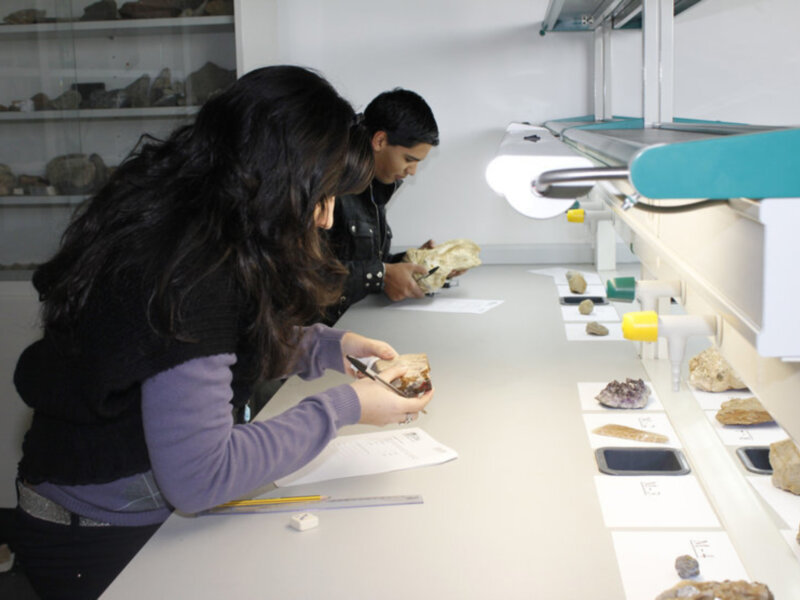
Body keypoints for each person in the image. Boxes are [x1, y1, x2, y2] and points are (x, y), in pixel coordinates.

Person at [10, 65, 432, 600]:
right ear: (279, 183)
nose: (326, 219)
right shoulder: (193, 275)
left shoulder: (189, 220)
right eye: (322, 196)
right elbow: (203, 477)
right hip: (96, 537)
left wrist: (329, 347)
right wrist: (345, 407)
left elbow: (215, 341)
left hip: (105, 500)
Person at [323, 88, 444, 324]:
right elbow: (308, 272)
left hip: (354, 323)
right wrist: (382, 275)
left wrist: (414, 262)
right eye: (409, 159)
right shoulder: (332, 186)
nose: (412, 171)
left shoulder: (376, 187)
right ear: (379, 140)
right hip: (321, 334)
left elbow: (365, 259)